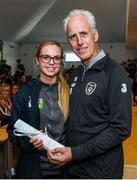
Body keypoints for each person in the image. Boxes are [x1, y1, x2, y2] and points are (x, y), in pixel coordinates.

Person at [47, 9, 132, 179]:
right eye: (73, 36)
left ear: (95, 35)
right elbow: (78, 119)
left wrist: (75, 153)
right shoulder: (76, 73)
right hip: (74, 168)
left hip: (100, 172)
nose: (79, 42)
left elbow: (120, 129)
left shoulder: (115, 73)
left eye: (84, 34)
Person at [7, 40, 69, 179]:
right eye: (46, 57)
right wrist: (29, 142)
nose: (51, 62)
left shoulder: (69, 92)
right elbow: (12, 131)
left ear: (61, 61)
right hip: (34, 170)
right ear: (37, 60)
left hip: (65, 170)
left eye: (56, 58)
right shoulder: (25, 93)